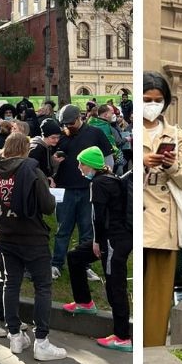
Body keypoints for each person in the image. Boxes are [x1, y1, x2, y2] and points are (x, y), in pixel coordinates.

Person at [0, 132, 66, 360]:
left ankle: (15, 335)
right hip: (32, 235)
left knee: (11, 283)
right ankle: (42, 341)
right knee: (43, 287)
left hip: (6, 234)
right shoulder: (32, 170)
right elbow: (47, 206)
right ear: (25, 149)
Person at [142, 71, 182, 348]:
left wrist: (171, 165)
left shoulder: (177, 135)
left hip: (164, 228)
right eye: (146, 99)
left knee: (156, 305)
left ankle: (151, 356)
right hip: (134, 222)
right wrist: (142, 162)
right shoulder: (130, 130)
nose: (152, 105)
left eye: (157, 100)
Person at [64, 145, 132, 351]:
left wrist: (97, 242)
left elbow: (98, 217)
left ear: (91, 165)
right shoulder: (111, 178)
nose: (79, 167)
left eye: (81, 164)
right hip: (119, 237)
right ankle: (84, 302)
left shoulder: (99, 184)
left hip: (113, 240)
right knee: (75, 257)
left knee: (115, 286)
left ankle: (122, 337)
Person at [50, 104, 114, 278]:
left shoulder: (95, 133)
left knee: (87, 229)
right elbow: (50, 161)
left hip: (89, 189)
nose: (68, 127)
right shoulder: (61, 136)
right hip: (65, 188)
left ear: (80, 118)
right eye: (65, 124)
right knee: (63, 228)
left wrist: (105, 179)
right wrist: (54, 163)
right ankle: (56, 263)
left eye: (70, 123)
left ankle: (83, 264)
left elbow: (108, 159)